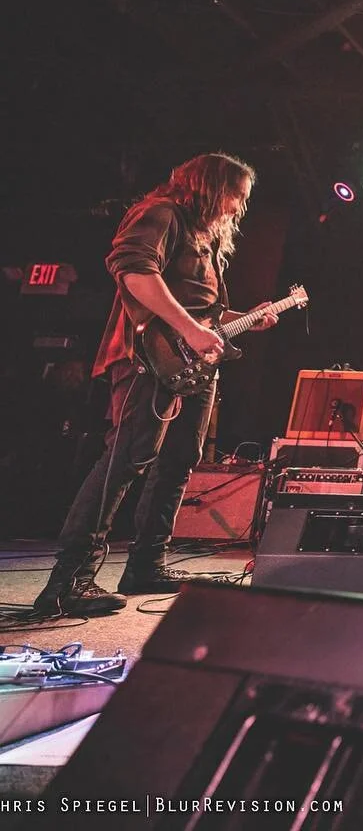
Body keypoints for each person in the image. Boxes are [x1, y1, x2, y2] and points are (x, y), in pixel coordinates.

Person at [33, 153, 276, 617]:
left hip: (191, 362)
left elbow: (199, 311)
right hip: (148, 358)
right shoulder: (160, 213)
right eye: (233, 196)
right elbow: (135, 273)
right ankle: (68, 582)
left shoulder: (204, 238)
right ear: (208, 185)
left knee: (180, 459)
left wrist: (241, 321)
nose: (236, 208)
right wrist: (189, 329)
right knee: (126, 457)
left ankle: (147, 563)